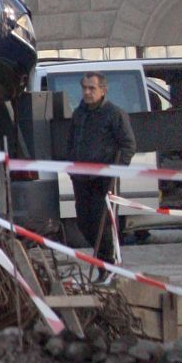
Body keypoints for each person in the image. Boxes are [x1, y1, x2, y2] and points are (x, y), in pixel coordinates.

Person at [68, 72, 136, 280]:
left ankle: (108, 268)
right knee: (84, 224)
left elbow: (128, 145)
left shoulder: (114, 114)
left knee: (103, 227)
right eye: (85, 88)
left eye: (92, 88)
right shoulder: (79, 114)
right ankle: (103, 264)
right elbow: (72, 142)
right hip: (82, 180)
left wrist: (115, 171)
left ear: (103, 90)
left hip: (104, 182)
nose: (88, 92)